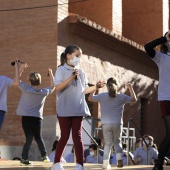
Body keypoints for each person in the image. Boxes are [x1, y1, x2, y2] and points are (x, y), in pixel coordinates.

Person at [52, 45, 101, 170]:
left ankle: (80, 164)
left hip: (78, 108)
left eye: (80, 56)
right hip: (64, 109)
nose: (79, 58)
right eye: (77, 55)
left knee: (77, 136)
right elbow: (57, 88)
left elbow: (85, 90)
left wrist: (96, 87)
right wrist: (71, 77)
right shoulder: (61, 70)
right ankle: (56, 163)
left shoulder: (82, 72)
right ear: (68, 56)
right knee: (64, 137)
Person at [88, 77, 137, 169]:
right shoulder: (121, 97)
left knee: (107, 144)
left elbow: (90, 98)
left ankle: (105, 164)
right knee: (117, 142)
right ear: (117, 86)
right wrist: (130, 88)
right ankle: (119, 159)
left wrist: (96, 88)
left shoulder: (102, 96)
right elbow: (134, 99)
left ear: (107, 86)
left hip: (106, 123)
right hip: (117, 123)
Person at [16, 63, 55, 166]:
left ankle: (24, 159)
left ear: (30, 80)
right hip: (37, 119)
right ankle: (45, 156)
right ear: (40, 80)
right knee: (38, 137)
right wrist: (51, 73)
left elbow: (16, 80)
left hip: (26, 119)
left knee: (29, 138)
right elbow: (53, 86)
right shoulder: (43, 92)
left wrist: (21, 69)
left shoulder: (26, 88)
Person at [144, 30, 170, 170]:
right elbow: (147, 47)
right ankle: (158, 164)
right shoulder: (161, 57)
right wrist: (163, 38)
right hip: (166, 98)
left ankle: (159, 163)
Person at [0, 60, 20, 129]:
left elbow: (16, 83)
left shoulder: (3, 79)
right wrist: (16, 68)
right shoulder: (4, 79)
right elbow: (16, 83)